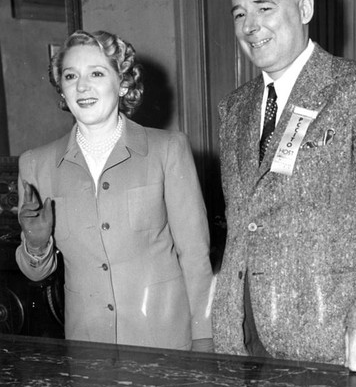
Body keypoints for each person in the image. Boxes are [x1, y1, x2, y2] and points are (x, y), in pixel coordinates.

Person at [212, 0, 356, 373]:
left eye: (264, 8)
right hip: (241, 333)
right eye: (239, 14)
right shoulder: (234, 109)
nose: (250, 26)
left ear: (304, 8)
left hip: (331, 335)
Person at [16, 30, 214, 352]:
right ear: (62, 91)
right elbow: (36, 272)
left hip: (166, 342)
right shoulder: (36, 164)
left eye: (96, 73)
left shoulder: (167, 150)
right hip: (88, 346)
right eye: (70, 76)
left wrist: (204, 338)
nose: (82, 86)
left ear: (122, 83)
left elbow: (195, 256)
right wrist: (37, 246)